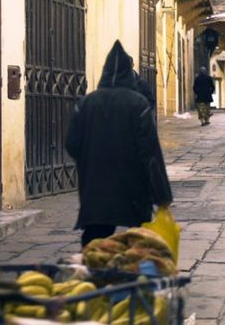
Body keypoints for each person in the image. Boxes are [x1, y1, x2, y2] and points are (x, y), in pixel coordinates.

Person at [66, 41, 173, 247]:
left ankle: (94, 265)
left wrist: (90, 160)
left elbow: (72, 144)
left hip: (96, 183)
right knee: (138, 240)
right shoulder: (138, 104)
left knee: (95, 239)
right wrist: (162, 195)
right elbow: (150, 153)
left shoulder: (86, 103)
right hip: (132, 184)